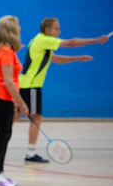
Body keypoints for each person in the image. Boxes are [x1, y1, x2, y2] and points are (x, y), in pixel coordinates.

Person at [18, 18, 109, 163]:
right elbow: (71, 42)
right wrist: (96, 40)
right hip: (31, 86)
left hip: (24, 84)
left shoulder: (39, 40)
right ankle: (30, 153)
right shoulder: (44, 39)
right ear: (47, 30)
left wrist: (77, 58)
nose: (59, 31)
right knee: (37, 117)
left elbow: (54, 58)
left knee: (16, 115)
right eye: (56, 29)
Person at [0, 16, 29, 186]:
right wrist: (22, 104)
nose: (20, 28)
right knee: (2, 137)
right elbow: (8, 82)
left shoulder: (1, 49)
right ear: (10, 30)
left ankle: (0, 174)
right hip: (1, 97)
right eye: (17, 26)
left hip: (1, 98)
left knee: (4, 136)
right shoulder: (5, 52)